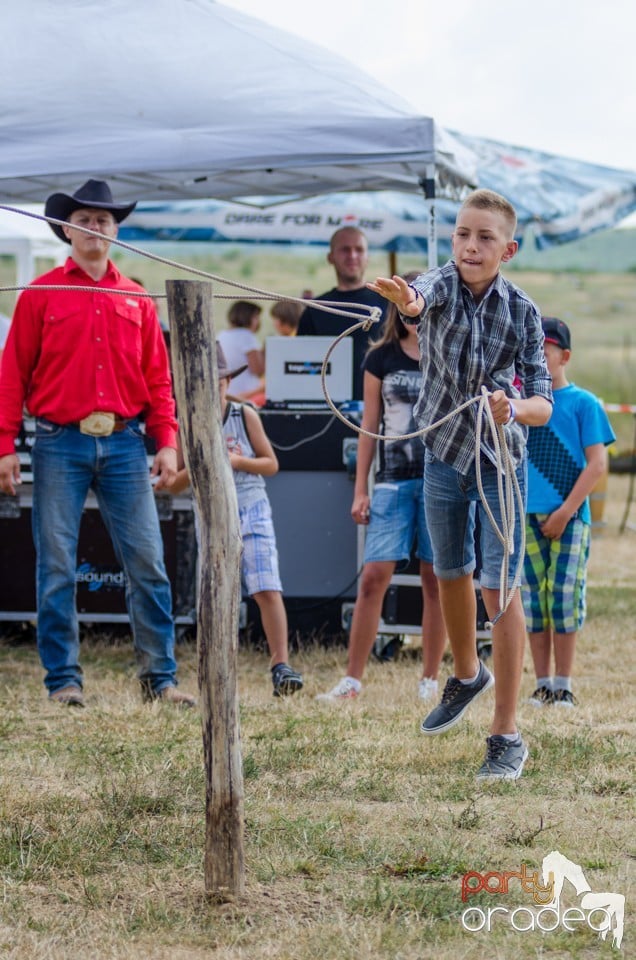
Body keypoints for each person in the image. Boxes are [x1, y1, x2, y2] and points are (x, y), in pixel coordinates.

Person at [367, 188, 553, 781]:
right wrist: (407, 300)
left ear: (509, 250)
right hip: (444, 453)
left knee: (500, 587)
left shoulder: (523, 311)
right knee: (449, 571)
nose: (470, 247)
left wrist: (514, 408)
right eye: (462, 235)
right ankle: (467, 674)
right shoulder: (440, 282)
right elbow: (421, 301)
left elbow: (544, 402)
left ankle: (506, 735)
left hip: (501, 458)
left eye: (484, 238)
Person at [0, 179, 195, 708]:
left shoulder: (135, 297)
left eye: (105, 221)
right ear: (66, 229)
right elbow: (12, 374)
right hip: (58, 441)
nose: (95, 228)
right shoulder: (40, 293)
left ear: (116, 232)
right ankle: (63, 680)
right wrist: (3, 446)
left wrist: (167, 441)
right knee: (57, 564)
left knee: (148, 562)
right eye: (85, 219)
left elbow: (159, 380)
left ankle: (161, 679)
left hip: (128, 442)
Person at [316, 275, 446, 703]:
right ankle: (353, 680)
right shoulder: (380, 358)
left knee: (436, 579)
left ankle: (430, 678)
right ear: (396, 306)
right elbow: (368, 426)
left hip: (440, 479)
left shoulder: (447, 354)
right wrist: (361, 489)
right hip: (392, 480)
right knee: (373, 578)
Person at [168, 342, 304, 698]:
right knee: (215, 589)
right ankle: (215, 663)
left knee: (265, 585)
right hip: (210, 510)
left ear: (228, 383)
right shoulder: (186, 423)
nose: (214, 389)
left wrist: (238, 461)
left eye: (219, 382)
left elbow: (271, 464)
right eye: (203, 384)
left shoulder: (245, 415)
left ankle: (281, 665)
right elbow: (172, 483)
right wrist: (202, 463)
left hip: (250, 504)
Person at [522, 317, 615, 708]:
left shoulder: (584, 404)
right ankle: (541, 683)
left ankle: (564, 684)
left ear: (565, 355)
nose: (539, 356)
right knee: (533, 600)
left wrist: (564, 512)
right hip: (526, 516)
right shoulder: (523, 403)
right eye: (534, 349)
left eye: (546, 348)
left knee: (563, 596)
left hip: (570, 517)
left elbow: (596, 464)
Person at [297, 227, 389, 400]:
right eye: (345, 249)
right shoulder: (316, 308)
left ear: (367, 258)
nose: (352, 255)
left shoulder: (387, 303)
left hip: (382, 407)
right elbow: (301, 366)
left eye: (359, 250)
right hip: (329, 407)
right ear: (330, 257)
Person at [218, 300, 265, 402]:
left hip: (227, 392)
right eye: (256, 317)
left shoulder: (221, 335)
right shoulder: (247, 336)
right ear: (249, 317)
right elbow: (258, 370)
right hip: (246, 395)